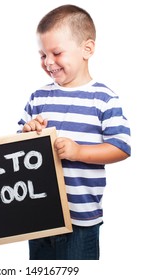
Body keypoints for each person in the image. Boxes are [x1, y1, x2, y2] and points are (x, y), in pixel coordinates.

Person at [18, 4, 131, 260]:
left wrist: (78, 151)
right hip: (39, 215)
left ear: (87, 49)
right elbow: (18, 147)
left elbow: (121, 147)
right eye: (42, 55)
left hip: (81, 218)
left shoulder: (104, 99)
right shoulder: (38, 97)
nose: (48, 62)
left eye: (56, 53)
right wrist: (29, 134)